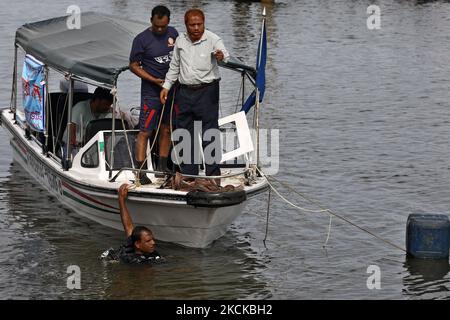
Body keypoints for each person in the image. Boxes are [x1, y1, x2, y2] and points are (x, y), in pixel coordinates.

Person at [160, 8, 229, 180]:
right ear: (186, 25)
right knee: (185, 133)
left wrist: (220, 55)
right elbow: (174, 66)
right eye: (193, 25)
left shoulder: (213, 39)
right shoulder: (180, 41)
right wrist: (166, 87)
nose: (197, 28)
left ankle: (213, 177)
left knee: (209, 133)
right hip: (185, 92)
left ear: (204, 23)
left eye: (200, 24)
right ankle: (189, 175)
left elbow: (224, 54)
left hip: (207, 92)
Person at [129, 5, 179, 184]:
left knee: (167, 128)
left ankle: (162, 166)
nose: (160, 29)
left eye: (163, 27)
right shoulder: (141, 39)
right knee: (145, 131)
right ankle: (140, 172)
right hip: (151, 92)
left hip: (172, 90)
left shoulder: (174, 33)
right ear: (151, 20)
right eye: (157, 26)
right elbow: (133, 65)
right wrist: (152, 79)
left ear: (168, 23)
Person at [100, 183, 163, 264]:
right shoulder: (136, 261)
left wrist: (121, 199)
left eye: (152, 239)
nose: (153, 243)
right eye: (148, 241)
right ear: (138, 244)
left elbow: (128, 226)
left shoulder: (133, 243)